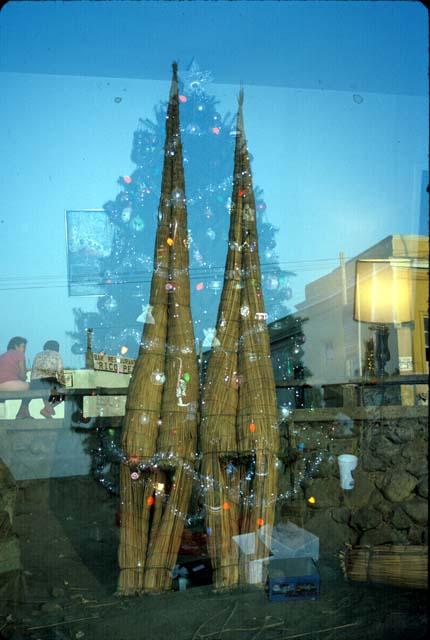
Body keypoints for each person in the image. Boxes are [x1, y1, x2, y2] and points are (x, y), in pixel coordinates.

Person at [30, 340, 65, 418]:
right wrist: (64, 385)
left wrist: (31, 384)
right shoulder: (56, 355)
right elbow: (60, 373)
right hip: (48, 382)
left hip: (35, 383)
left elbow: (33, 372)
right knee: (65, 393)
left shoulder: (37, 355)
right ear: (57, 348)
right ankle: (49, 407)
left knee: (44, 388)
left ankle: (47, 408)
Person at [0, 336, 32, 419]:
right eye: (23, 347)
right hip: (8, 384)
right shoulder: (19, 355)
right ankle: (21, 412)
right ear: (16, 346)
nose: (25, 349)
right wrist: (25, 373)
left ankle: (25, 412)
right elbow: (22, 376)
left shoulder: (2, 356)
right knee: (32, 387)